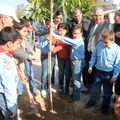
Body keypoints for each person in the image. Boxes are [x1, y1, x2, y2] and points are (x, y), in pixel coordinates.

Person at [85, 29, 120, 115]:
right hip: (98, 72)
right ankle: (92, 102)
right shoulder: (99, 45)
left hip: (109, 74)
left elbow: (117, 64)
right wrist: (90, 66)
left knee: (107, 93)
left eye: (106, 43)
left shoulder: (117, 49)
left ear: (113, 40)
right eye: (103, 41)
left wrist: (115, 76)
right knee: (95, 89)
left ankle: (105, 108)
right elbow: (94, 56)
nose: (104, 44)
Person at [82, 8, 113, 94]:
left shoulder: (108, 25)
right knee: (90, 72)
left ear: (103, 16)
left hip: (99, 54)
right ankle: (90, 89)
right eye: (95, 15)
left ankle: (99, 93)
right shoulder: (91, 24)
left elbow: (110, 40)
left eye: (100, 15)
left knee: (98, 74)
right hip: (89, 52)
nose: (97, 17)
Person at [51, 24, 85, 102]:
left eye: (77, 34)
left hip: (78, 62)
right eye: (74, 33)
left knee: (76, 80)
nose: (75, 35)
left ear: (81, 34)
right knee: (75, 79)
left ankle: (76, 97)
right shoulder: (77, 40)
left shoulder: (77, 41)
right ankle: (74, 94)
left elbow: (66, 40)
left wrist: (55, 35)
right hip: (75, 61)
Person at [0, 27, 22, 120]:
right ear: (9, 44)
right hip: (5, 95)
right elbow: (9, 85)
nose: (18, 46)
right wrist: (12, 106)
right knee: (11, 116)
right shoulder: (5, 60)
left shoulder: (4, 54)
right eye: (17, 44)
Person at [49, 23, 71, 96]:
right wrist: (50, 42)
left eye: (63, 31)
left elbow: (61, 46)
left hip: (68, 58)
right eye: (60, 30)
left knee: (67, 73)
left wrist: (53, 49)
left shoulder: (67, 38)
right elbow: (52, 40)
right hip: (60, 58)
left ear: (66, 31)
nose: (61, 32)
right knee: (61, 72)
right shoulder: (57, 37)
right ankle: (61, 86)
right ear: (57, 30)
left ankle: (67, 87)